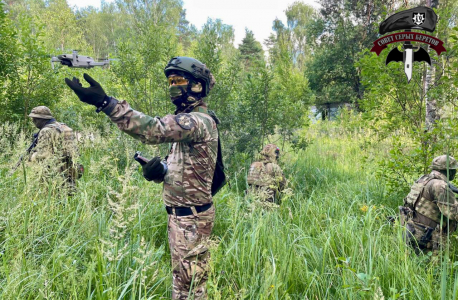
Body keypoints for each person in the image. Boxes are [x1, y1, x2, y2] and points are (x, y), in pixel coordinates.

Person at [65, 56, 222, 300]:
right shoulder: (190, 124)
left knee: (188, 291)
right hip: (183, 216)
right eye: (170, 81)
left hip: (190, 219)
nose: (173, 86)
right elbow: (189, 169)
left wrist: (107, 103)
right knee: (184, 284)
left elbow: (154, 129)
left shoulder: (198, 121)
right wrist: (162, 172)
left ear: (197, 86)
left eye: (179, 80)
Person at [400, 155, 458, 254]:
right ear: (450, 171)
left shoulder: (424, 179)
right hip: (427, 238)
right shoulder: (440, 185)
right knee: (431, 268)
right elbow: (453, 214)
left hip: (412, 230)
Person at [27, 106, 79, 192]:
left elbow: (44, 154)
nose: (33, 121)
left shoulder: (46, 130)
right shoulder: (62, 126)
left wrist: (31, 156)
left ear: (41, 119)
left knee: (51, 197)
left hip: (54, 172)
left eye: (35, 119)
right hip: (69, 168)